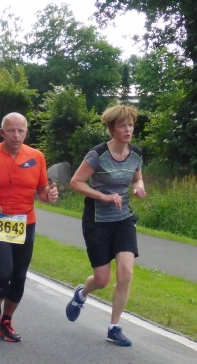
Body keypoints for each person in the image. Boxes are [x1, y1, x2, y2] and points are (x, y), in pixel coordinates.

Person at [0, 112, 58, 342]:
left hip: (26, 222)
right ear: (2, 132)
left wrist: (50, 195)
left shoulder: (36, 157)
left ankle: (6, 321)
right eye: (11, 130)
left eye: (20, 131)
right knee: (4, 272)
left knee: (19, 276)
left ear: (26, 132)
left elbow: (42, 191)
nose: (16, 135)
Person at [65, 105, 146, 347]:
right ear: (112, 129)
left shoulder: (136, 153)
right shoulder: (98, 154)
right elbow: (76, 182)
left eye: (131, 125)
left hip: (123, 219)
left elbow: (137, 177)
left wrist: (139, 187)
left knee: (126, 273)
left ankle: (114, 327)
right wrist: (104, 196)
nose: (128, 129)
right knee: (102, 279)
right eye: (123, 125)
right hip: (97, 220)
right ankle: (81, 294)